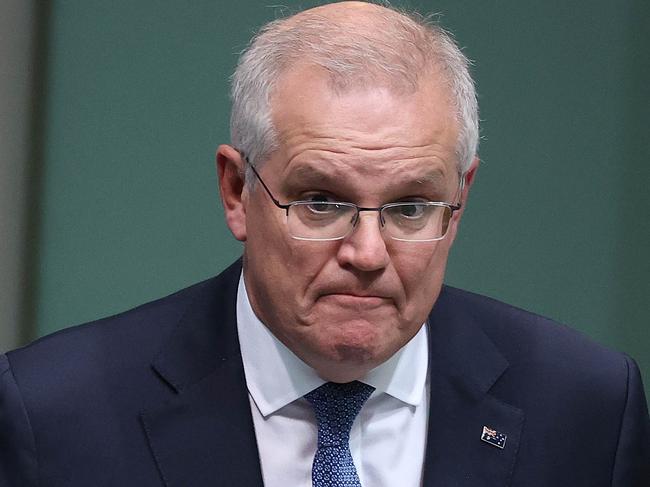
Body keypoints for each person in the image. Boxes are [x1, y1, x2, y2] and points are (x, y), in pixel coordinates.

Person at [1, 1, 648, 486]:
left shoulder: (584, 407)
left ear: (461, 199)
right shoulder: (55, 415)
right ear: (236, 190)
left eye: (411, 206)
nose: (367, 253)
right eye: (321, 201)